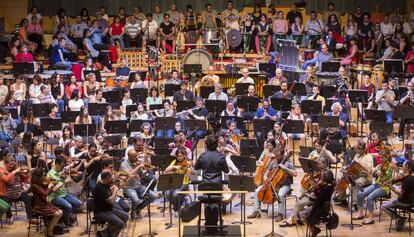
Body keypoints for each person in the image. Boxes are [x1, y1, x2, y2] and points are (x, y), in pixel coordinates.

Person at [248, 142, 297, 221]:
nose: (276, 158)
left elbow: (295, 173)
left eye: (278, 156)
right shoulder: (274, 162)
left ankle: (280, 214)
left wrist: (285, 168)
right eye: (275, 156)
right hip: (271, 184)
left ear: (283, 154)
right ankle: (257, 211)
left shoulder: (288, 163)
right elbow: (267, 172)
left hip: (285, 185)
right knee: (257, 191)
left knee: (280, 194)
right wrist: (265, 177)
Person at [194, 135, 229, 234]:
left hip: (205, 185)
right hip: (217, 185)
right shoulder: (221, 156)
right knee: (215, 203)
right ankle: (214, 227)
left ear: (207, 145)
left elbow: (196, 168)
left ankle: (208, 227)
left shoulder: (202, 156)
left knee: (207, 203)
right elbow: (226, 170)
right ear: (216, 144)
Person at [354, 148, 394, 225]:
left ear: (387, 156)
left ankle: (371, 218)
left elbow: (386, 181)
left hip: (385, 187)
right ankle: (360, 214)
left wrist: (380, 175)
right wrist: (371, 170)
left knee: (370, 198)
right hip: (377, 184)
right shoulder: (381, 164)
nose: (381, 159)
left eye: (382, 158)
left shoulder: (390, 166)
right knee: (360, 194)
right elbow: (373, 172)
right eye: (380, 157)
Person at [334, 140, 374, 206]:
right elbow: (352, 164)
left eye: (356, 149)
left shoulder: (368, 157)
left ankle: (355, 204)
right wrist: (346, 167)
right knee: (342, 178)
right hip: (356, 174)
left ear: (361, 150)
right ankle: (342, 199)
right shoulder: (357, 154)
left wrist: (359, 163)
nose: (355, 150)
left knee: (354, 184)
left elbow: (369, 171)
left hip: (365, 177)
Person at [121, 149, 158, 220]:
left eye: (137, 156)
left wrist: (147, 170)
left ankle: (137, 209)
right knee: (136, 200)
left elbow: (140, 176)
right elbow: (128, 175)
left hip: (138, 186)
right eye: (134, 157)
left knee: (154, 196)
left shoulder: (136, 163)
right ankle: (135, 209)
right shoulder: (124, 165)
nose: (137, 158)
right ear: (129, 157)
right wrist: (138, 167)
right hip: (129, 187)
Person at [47, 156, 82, 227]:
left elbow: (63, 185)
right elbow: (53, 189)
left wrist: (68, 182)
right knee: (69, 206)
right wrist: (64, 182)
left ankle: (65, 217)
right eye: (62, 166)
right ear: (56, 164)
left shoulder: (60, 172)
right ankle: (65, 221)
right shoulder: (50, 174)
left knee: (79, 203)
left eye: (64, 166)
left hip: (63, 194)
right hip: (54, 196)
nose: (63, 168)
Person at [93, 169, 129, 237]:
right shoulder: (100, 188)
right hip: (101, 212)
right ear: (107, 177)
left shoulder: (105, 184)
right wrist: (115, 190)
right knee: (120, 224)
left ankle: (105, 233)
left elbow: (112, 191)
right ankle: (104, 234)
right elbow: (111, 201)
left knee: (126, 216)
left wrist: (119, 183)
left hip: (108, 209)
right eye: (111, 175)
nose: (113, 176)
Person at [383, 160, 414, 231]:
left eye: (403, 166)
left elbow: (400, 194)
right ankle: (400, 220)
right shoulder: (408, 178)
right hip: (412, 201)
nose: (402, 168)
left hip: (406, 202)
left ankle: (400, 218)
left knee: (383, 206)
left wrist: (391, 187)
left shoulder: (407, 180)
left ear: (407, 167)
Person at [31, 168, 63, 237]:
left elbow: (47, 193)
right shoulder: (34, 186)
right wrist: (49, 186)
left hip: (45, 203)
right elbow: (45, 194)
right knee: (57, 214)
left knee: (60, 212)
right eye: (43, 176)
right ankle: (49, 230)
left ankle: (49, 227)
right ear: (38, 177)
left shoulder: (42, 183)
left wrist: (54, 188)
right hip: (39, 206)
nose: (45, 177)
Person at [165, 148, 192, 213]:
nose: (179, 158)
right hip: (175, 182)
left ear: (184, 156)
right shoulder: (174, 162)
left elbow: (188, 174)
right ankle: (177, 206)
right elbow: (166, 170)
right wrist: (174, 167)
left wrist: (187, 170)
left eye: (181, 156)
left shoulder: (187, 163)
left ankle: (176, 208)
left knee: (175, 195)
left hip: (184, 183)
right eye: (178, 156)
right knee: (168, 194)